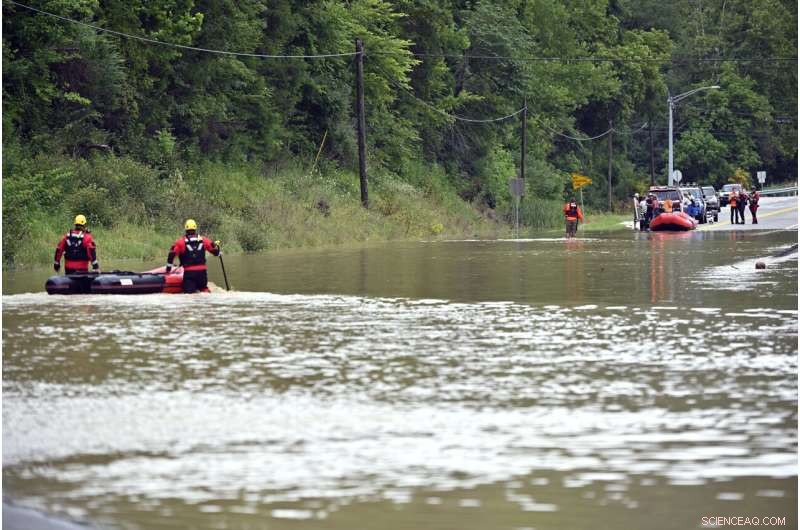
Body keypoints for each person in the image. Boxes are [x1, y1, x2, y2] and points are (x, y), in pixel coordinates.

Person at [166, 219, 221, 293]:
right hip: (202, 274)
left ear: (186, 229)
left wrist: (168, 270)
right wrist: (218, 252)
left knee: (189, 294)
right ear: (195, 228)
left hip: (189, 274)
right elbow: (215, 252)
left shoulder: (180, 242)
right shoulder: (204, 240)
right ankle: (205, 290)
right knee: (203, 289)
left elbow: (171, 255)